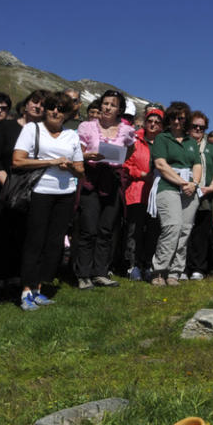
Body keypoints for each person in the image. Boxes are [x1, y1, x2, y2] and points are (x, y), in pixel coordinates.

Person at [12, 92, 84, 310]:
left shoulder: (71, 135)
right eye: (52, 107)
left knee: (54, 243)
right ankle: (26, 291)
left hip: (65, 194)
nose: (55, 111)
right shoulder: (32, 129)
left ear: (67, 114)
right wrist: (51, 162)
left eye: (61, 109)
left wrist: (69, 166)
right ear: (45, 110)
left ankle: (38, 289)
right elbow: (17, 161)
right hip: (40, 191)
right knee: (35, 240)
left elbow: (81, 170)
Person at [0, 89, 48, 296]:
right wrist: (7, 184)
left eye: (42, 104)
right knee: (2, 237)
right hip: (3, 191)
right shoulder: (7, 126)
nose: (37, 106)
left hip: (32, 193)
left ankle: (16, 281)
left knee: (23, 237)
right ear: (26, 104)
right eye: (34, 101)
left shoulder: (44, 133)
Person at [74, 90, 136, 289]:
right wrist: (89, 155)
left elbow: (130, 149)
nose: (108, 107)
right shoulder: (87, 126)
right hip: (91, 178)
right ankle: (83, 274)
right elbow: (77, 152)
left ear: (120, 110)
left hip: (112, 178)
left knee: (106, 229)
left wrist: (119, 159)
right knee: (88, 228)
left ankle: (100, 272)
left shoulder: (126, 130)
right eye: (105, 103)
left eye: (113, 105)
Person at [150, 101, 202, 286]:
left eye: (181, 118)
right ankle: (159, 271)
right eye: (173, 117)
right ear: (168, 119)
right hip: (168, 186)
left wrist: (194, 183)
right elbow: (161, 165)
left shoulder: (191, 142)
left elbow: (197, 164)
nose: (177, 121)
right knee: (172, 226)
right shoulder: (162, 138)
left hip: (190, 188)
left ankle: (175, 272)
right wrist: (182, 182)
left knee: (185, 230)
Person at [121, 108, 162, 281]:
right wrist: (142, 174)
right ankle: (133, 265)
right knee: (134, 230)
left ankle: (147, 264)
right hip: (136, 191)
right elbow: (126, 163)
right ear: (145, 122)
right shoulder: (135, 139)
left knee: (153, 230)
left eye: (157, 122)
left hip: (156, 193)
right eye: (150, 121)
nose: (153, 124)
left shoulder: (163, 142)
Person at [184, 111, 213, 280]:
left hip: (206, 194)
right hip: (184, 192)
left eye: (202, 127)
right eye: (195, 126)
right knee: (184, 230)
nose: (198, 129)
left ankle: (199, 267)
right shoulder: (182, 145)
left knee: (201, 231)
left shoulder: (212, 149)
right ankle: (183, 266)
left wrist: (212, 187)